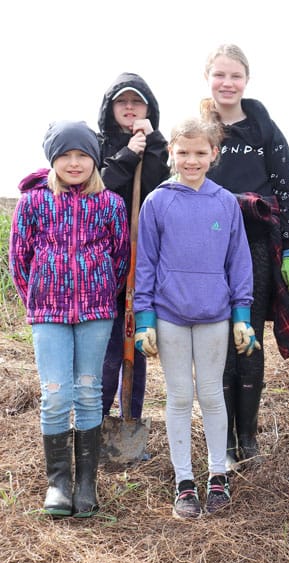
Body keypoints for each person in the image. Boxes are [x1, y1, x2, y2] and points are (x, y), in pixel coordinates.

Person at [134, 118, 256, 518]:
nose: (191, 160)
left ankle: (217, 474)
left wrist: (242, 314)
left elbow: (239, 261)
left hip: (214, 315)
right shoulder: (157, 202)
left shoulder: (225, 202)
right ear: (171, 152)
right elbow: (146, 264)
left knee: (211, 394)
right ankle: (184, 480)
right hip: (169, 314)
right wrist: (144, 318)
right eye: (183, 152)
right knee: (180, 396)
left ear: (213, 155)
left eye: (200, 152)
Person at [10, 121, 130, 517]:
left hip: (96, 312)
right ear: (53, 159)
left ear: (94, 160)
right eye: (65, 155)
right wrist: (41, 298)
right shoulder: (33, 202)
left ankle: (86, 484)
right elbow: (19, 260)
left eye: (82, 155)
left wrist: (98, 292)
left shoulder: (110, 203)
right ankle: (58, 482)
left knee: (88, 390)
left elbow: (120, 257)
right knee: (56, 393)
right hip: (48, 313)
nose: (74, 163)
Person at [200, 44, 289, 471]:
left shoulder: (265, 129)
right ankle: (221, 438)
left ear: (247, 80)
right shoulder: (199, 128)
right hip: (208, 251)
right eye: (220, 75)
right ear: (208, 78)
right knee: (216, 345)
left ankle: (248, 436)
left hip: (258, 247)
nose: (228, 83)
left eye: (235, 76)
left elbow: (288, 190)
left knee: (249, 341)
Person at [97, 72, 169, 423]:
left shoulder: (159, 145)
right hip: (103, 260)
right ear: (110, 108)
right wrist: (127, 155)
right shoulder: (96, 144)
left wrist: (150, 143)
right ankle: (96, 416)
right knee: (108, 343)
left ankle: (131, 417)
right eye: (122, 102)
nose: (129, 107)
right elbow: (99, 190)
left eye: (136, 101)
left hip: (142, 256)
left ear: (148, 108)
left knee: (135, 341)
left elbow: (156, 184)